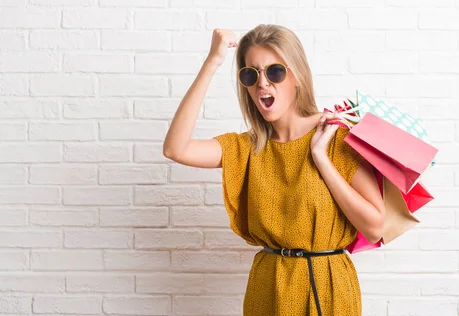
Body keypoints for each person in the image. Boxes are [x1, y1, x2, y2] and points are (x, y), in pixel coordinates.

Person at [163, 24, 385, 316]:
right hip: (267, 287)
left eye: (275, 72)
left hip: (327, 287)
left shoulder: (335, 134)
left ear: (297, 76)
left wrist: (321, 158)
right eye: (250, 74)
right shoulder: (246, 148)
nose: (262, 84)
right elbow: (175, 149)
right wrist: (212, 62)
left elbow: (375, 227)